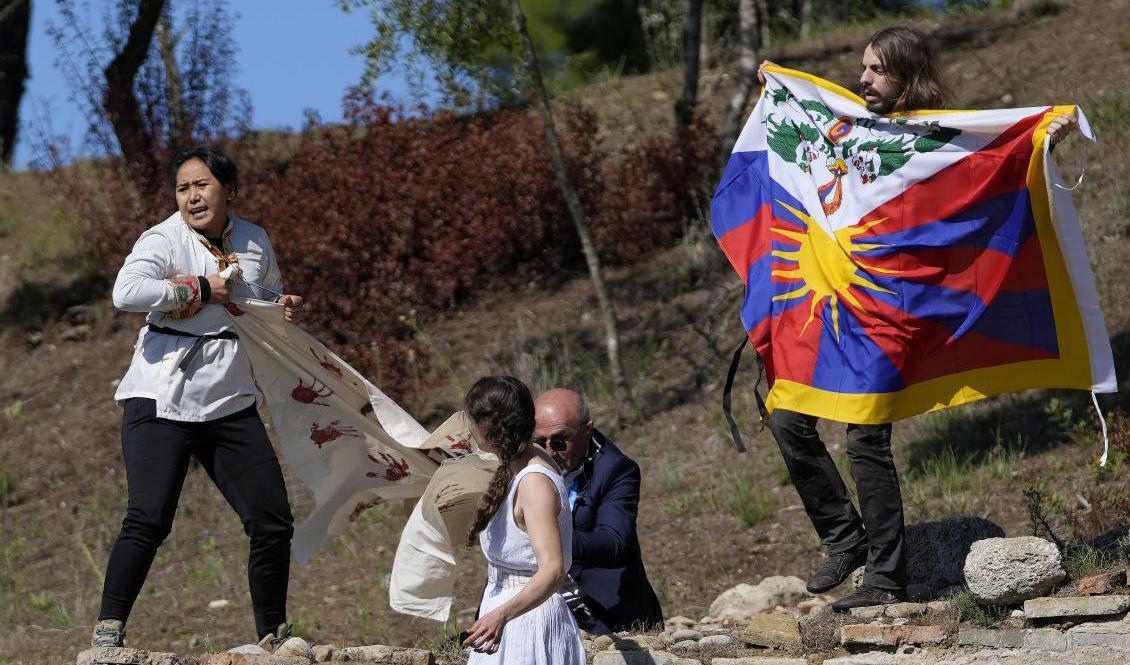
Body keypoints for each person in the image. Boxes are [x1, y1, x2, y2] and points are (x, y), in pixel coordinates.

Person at [754, 26, 1077, 612]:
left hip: (895, 309)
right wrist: (782, 93)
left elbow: (993, 161)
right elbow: (811, 155)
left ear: (906, 72)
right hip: (833, 301)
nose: (863, 79)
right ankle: (843, 537)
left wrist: (1043, 136)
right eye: (863, 69)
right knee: (788, 420)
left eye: (876, 70)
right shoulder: (851, 125)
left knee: (864, 436)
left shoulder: (936, 136)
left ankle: (885, 578)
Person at [92, 144, 307, 651]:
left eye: (202, 185)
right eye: (183, 187)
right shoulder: (163, 238)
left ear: (228, 189)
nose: (192, 197)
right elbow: (126, 292)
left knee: (272, 518)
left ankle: (273, 634)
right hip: (159, 393)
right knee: (149, 517)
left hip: (229, 395)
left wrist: (283, 306)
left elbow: (260, 296)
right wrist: (197, 290)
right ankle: (108, 630)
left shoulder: (254, 239)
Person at [461, 376, 584, 664]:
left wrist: (502, 615)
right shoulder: (522, 459)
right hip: (507, 616)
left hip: (528, 623)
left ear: (488, 425)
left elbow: (553, 570)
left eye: (471, 420)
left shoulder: (534, 483)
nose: (468, 428)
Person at [533, 389, 663, 635]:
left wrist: (548, 538)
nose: (550, 452)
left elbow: (614, 542)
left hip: (607, 609)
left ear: (587, 430)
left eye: (561, 441)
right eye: (540, 441)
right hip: (545, 599)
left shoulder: (617, 470)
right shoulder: (528, 462)